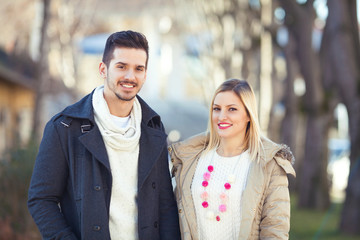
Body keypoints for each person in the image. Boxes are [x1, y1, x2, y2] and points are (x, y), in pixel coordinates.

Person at [28, 30, 180, 240]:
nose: (130, 76)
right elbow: (41, 199)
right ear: (103, 69)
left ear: (145, 74)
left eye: (138, 69)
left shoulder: (153, 126)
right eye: (121, 66)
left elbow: (165, 205)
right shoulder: (64, 127)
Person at [168, 79, 296, 240]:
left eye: (232, 109)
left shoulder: (269, 164)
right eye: (217, 109)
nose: (222, 116)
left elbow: (275, 230)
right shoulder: (190, 159)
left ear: (249, 115)